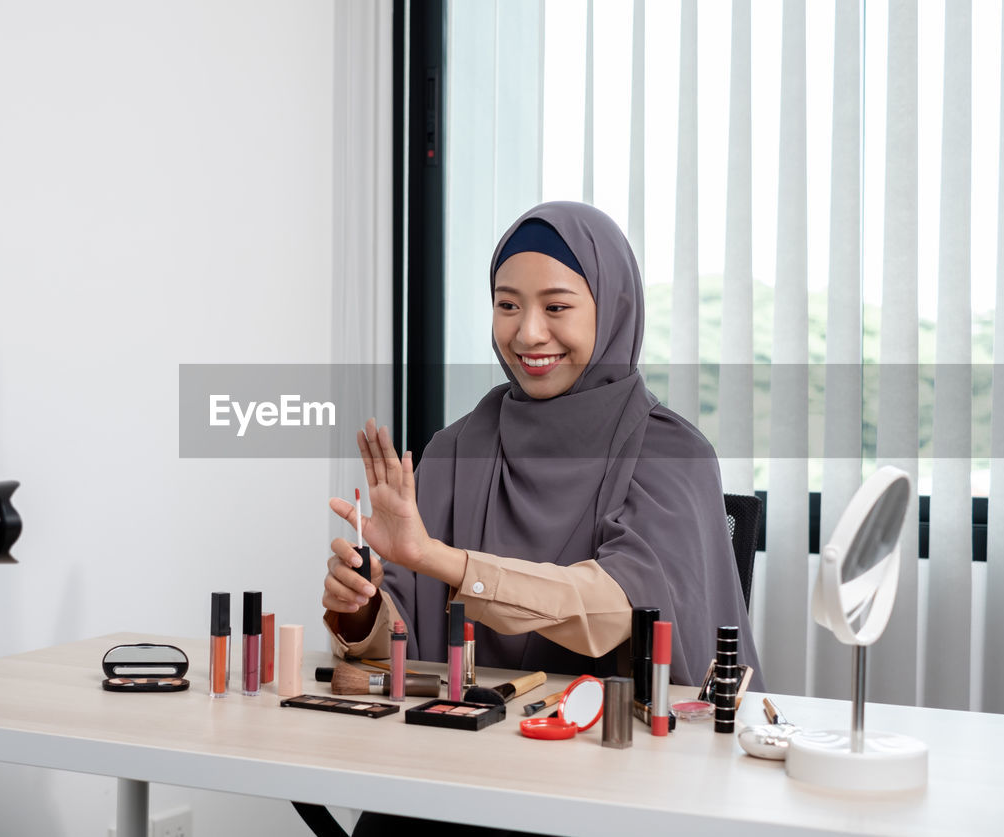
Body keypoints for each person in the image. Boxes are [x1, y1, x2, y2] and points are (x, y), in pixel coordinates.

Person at [322, 201, 762, 692]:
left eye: (556, 307)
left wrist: (436, 558)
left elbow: (623, 607)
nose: (528, 333)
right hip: (470, 744)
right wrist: (363, 608)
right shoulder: (456, 450)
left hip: (617, 745)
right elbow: (405, 645)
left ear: (613, 309)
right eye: (507, 305)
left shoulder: (670, 453)